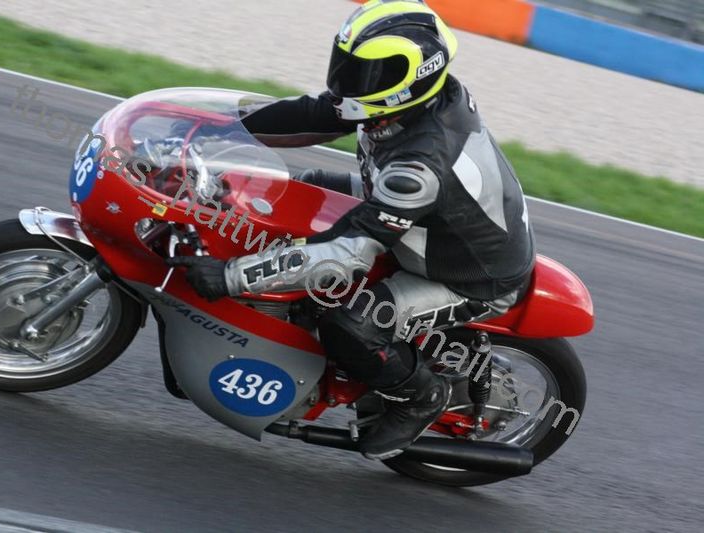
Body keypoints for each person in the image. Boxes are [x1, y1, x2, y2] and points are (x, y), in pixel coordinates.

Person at [168, 0, 535, 460]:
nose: (349, 80)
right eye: (348, 64)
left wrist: (231, 276)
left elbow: (347, 254)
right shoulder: (412, 102)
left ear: (408, 80)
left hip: (468, 275)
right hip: (418, 216)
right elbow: (314, 114)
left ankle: (420, 396)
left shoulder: (420, 166)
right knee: (294, 193)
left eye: (366, 72)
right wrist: (216, 127)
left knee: (351, 324)